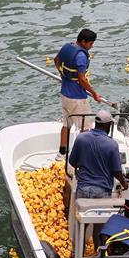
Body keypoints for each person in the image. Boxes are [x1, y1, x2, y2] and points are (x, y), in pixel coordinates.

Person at [68, 110, 128, 242]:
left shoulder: (81, 138)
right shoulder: (112, 145)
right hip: (102, 192)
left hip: (83, 189)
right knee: (99, 228)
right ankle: (98, 255)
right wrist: (124, 183)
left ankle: (76, 254)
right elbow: (116, 171)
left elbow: (72, 162)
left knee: (81, 226)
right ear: (108, 126)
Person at [54, 29, 103, 160]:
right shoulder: (81, 57)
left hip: (65, 95)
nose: (92, 46)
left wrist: (63, 75)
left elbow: (56, 60)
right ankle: (83, 158)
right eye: (90, 43)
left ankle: (61, 153)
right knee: (86, 129)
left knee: (66, 124)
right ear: (83, 41)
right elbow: (82, 79)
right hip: (77, 99)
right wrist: (94, 93)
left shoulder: (67, 47)